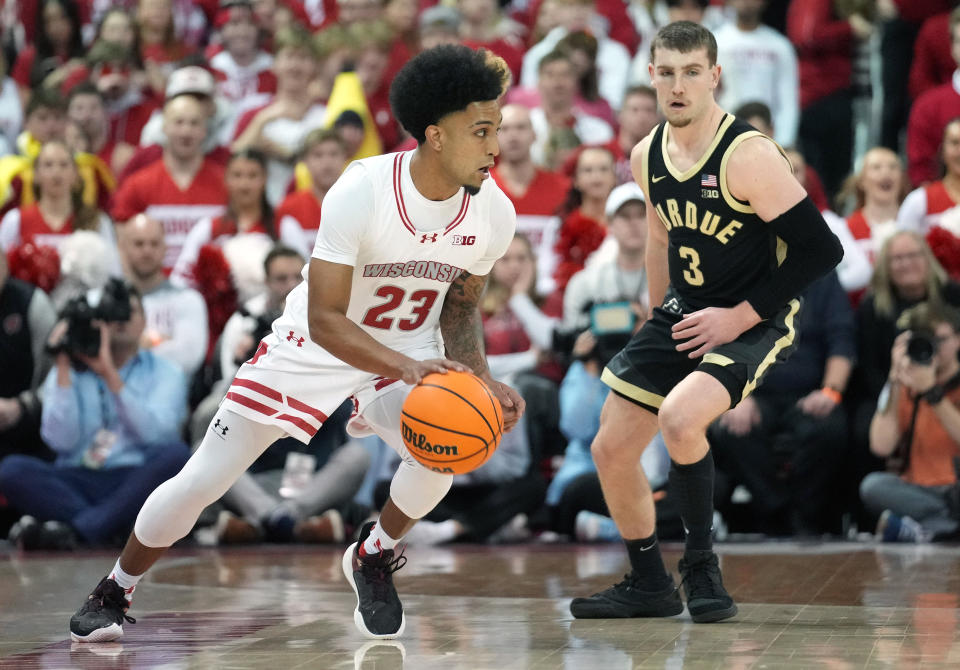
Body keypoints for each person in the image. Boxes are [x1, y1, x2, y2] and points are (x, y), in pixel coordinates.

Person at [68, 44, 524, 643]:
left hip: (410, 348)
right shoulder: (362, 190)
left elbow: (461, 307)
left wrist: (479, 380)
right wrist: (406, 368)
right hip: (314, 347)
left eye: (499, 128)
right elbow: (329, 318)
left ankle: (374, 552)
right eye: (482, 130)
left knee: (449, 446)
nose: (497, 146)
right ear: (435, 136)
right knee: (204, 479)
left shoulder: (494, 212)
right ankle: (116, 588)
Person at [568, 21, 842, 623]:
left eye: (692, 72)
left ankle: (700, 565)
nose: (678, 85)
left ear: (714, 76)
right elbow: (662, 236)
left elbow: (823, 252)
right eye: (666, 72)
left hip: (756, 316)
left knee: (679, 418)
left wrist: (737, 317)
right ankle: (648, 583)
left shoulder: (748, 155)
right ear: (650, 77)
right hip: (686, 311)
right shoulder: (645, 155)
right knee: (610, 447)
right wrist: (657, 314)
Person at [0, 282, 190, 550]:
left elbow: (156, 436)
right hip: (77, 477)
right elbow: (60, 442)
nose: (121, 320)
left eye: (130, 311)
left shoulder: (167, 372)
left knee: (176, 455)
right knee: (11, 470)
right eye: (112, 313)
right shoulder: (71, 369)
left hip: (134, 479)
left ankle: (76, 529)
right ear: (99, 322)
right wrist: (64, 365)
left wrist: (109, 374)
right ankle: (107, 526)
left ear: (144, 321)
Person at [862, 301, 960, 542]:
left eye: (941, 340)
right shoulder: (905, 384)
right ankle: (943, 527)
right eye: (926, 340)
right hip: (919, 491)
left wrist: (932, 392)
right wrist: (894, 379)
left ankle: (926, 529)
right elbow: (881, 446)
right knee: (873, 486)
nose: (934, 349)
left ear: (958, 339)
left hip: (956, 487)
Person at [122, 214, 208, 377]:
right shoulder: (102, 299)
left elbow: (188, 358)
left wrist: (126, 347)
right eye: (138, 244)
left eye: (154, 244)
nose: (147, 251)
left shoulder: (188, 299)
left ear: (165, 249)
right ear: (123, 248)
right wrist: (160, 342)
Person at [275, 129, 350, 235]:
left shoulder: (360, 206)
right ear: (305, 161)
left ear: (345, 158)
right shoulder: (288, 208)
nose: (327, 162)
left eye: (334, 154)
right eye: (318, 155)